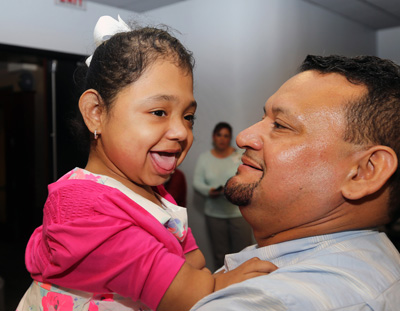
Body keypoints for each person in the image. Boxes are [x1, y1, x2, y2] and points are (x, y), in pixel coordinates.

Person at [16, 15, 276, 311]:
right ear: (96, 113)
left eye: (188, 117)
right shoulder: (82, 209)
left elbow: (194, 261)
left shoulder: (155, 194)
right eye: (158, 112)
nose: (181, 132)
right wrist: (218, 283)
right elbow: (182, 291)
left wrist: (194, 277)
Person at [191, 54, 400, 310]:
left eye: (280, 125)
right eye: (263, 118)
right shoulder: (375, 257)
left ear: (363, 172)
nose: (244, 137)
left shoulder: (270, 301)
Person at [193, 122, 252, 269]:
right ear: (214, 137)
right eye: (219, 135)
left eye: (226, 136)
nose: (222, 139)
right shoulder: (204, 158)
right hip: (214, 214)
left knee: (244, 254)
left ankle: (245, 286)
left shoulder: (239, 156)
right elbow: (197, 182)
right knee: (220, 255)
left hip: (239, 213)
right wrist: (209, 191)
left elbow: (249, 178)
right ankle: (222, 288)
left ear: (230, 138)